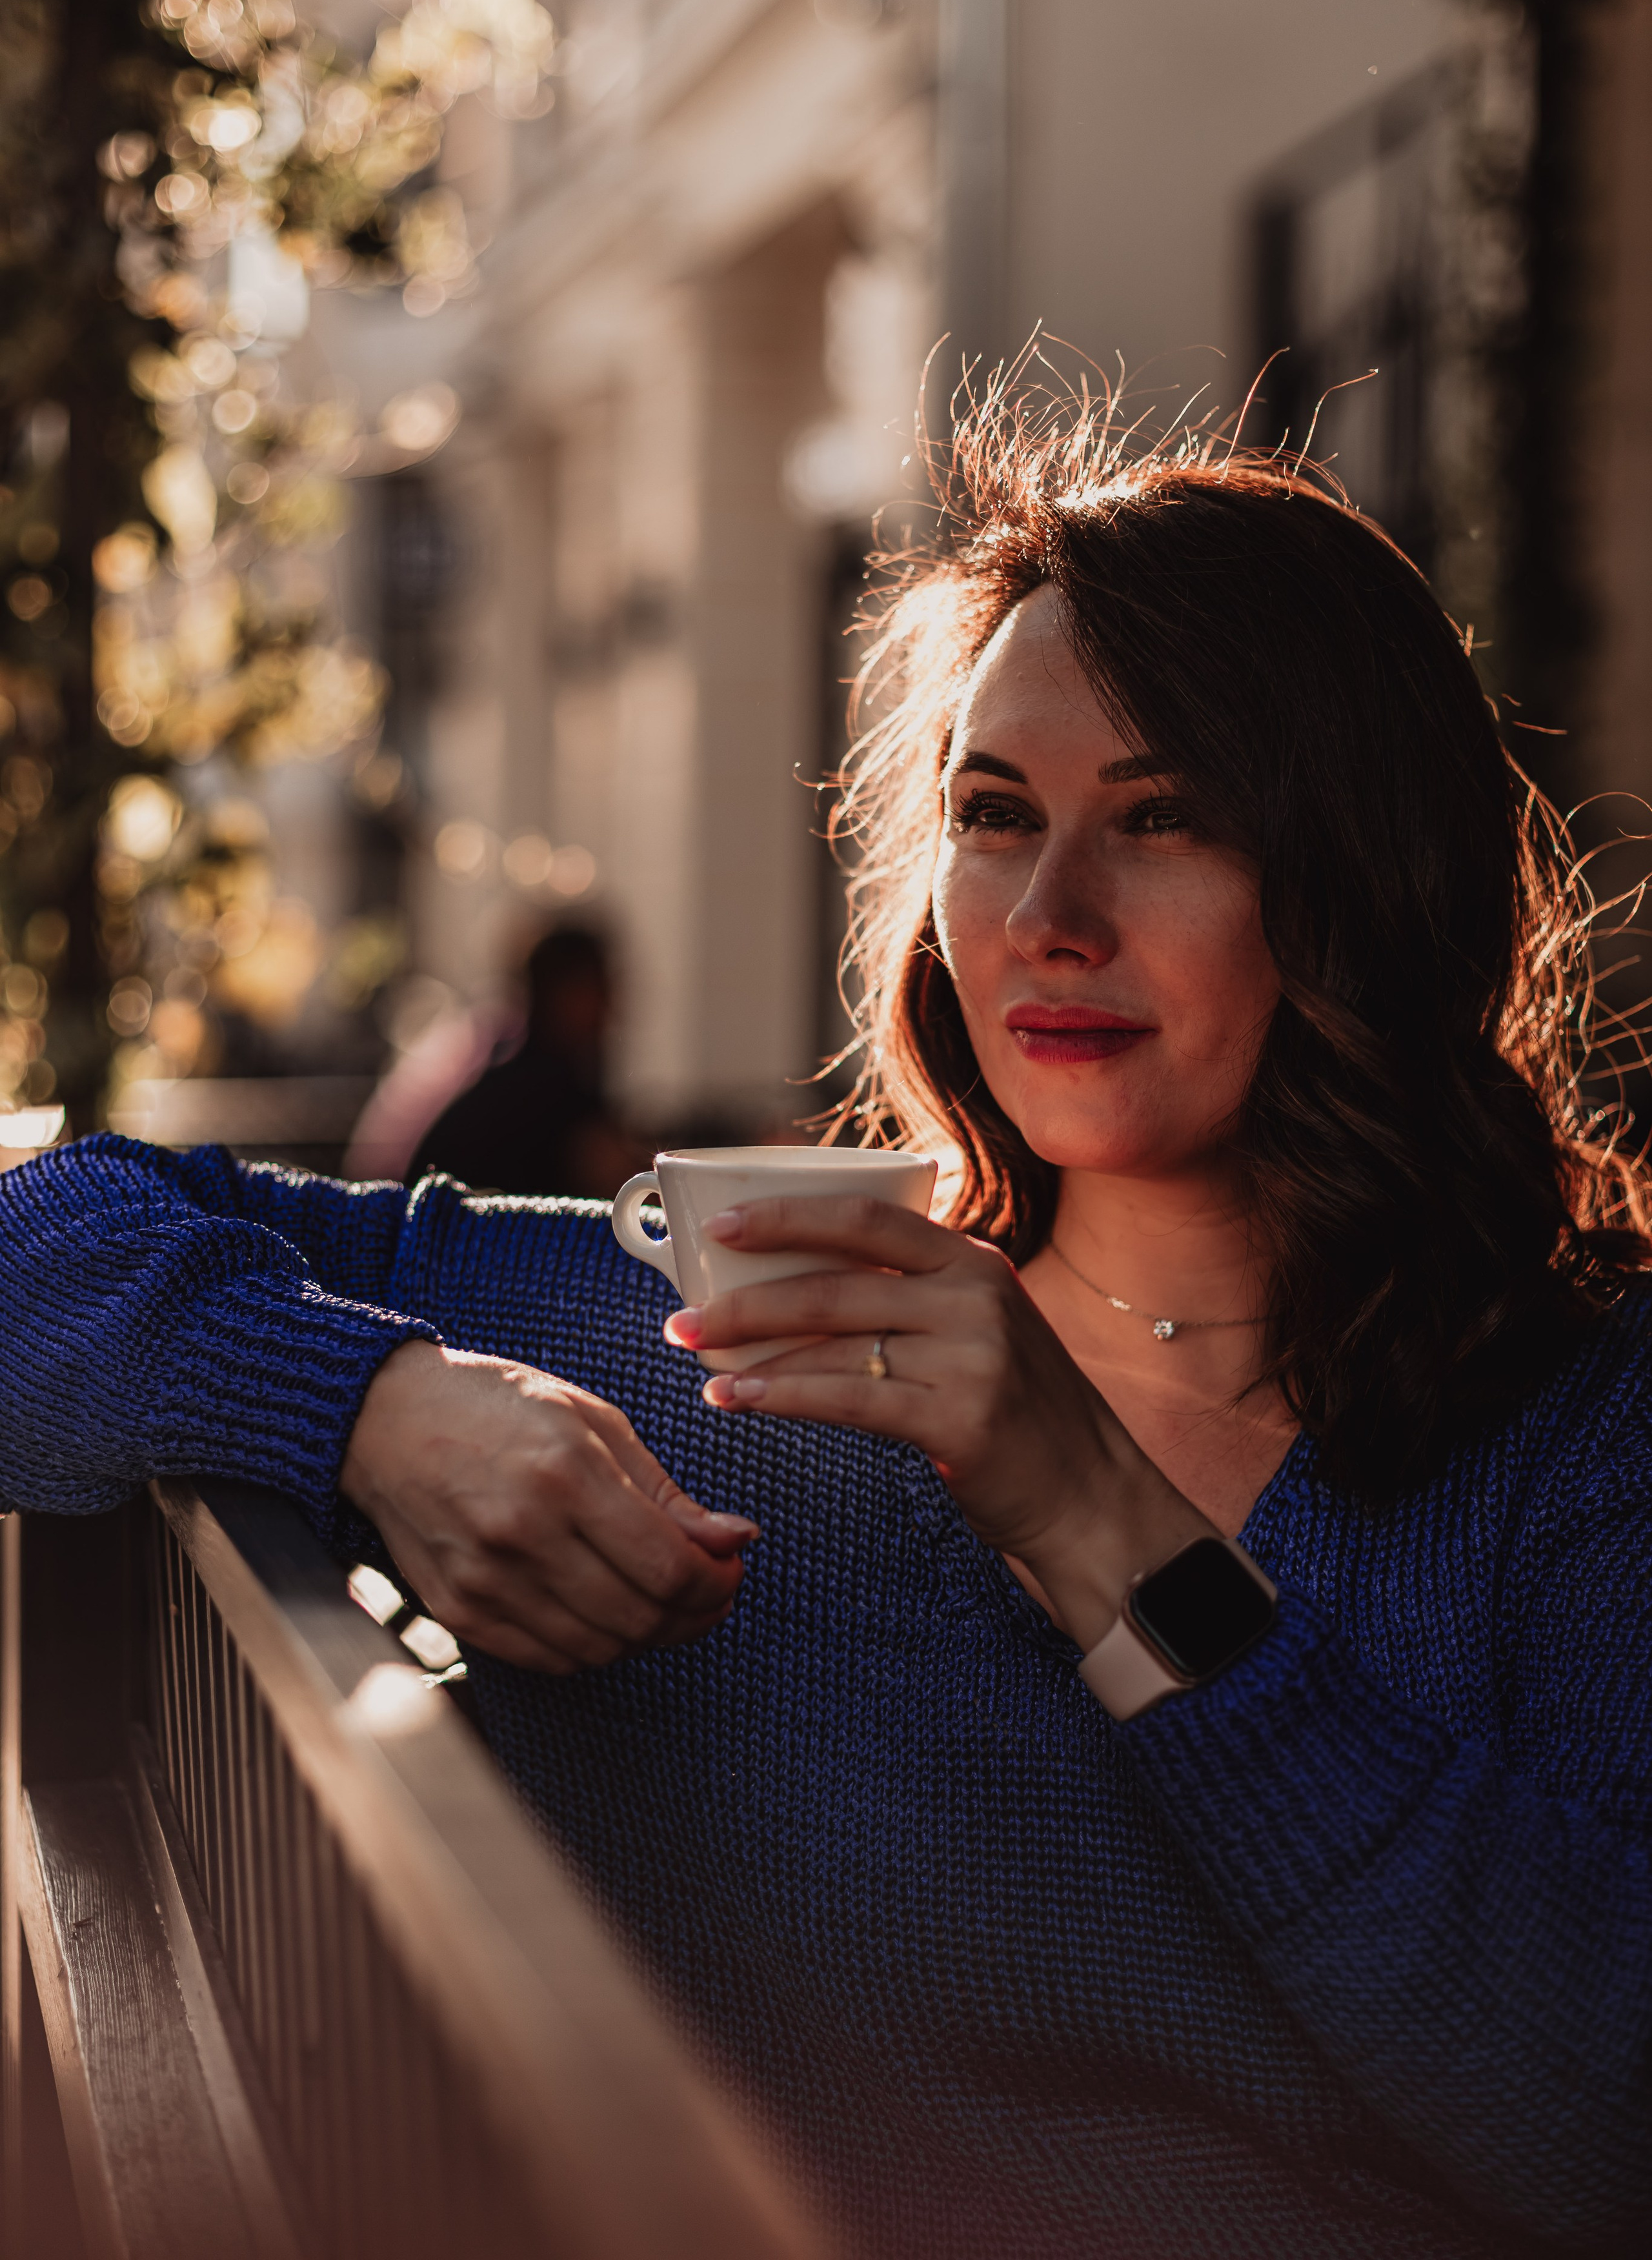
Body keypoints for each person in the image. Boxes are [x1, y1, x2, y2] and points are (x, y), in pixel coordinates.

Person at [2, 407, 1649, 2260]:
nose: (1048, 918)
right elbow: (31, 1234)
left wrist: (1101, 1529)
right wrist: (371, 1401)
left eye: (1166, 817)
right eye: (994, 817)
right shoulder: (717, 1327)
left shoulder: (1575, 1429)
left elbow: (1602, 2124)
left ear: (1361, 871)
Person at [405, 923, 639, 1198]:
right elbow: (617, 1180)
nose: (611, 1007)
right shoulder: (548, 1088)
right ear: (564, 994)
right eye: (601, 988)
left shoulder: (514, 1072)